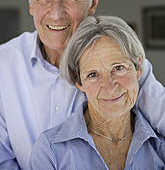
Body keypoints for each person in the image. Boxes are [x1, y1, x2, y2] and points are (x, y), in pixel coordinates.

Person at [0, 0, 164, 170]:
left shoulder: (124, 63)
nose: (56, 14)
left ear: (93, 1)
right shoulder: (3, 64)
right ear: (30, 0)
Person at [30, 15, 165, 170]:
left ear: (138, 69)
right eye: (93, 75)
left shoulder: (160, 146)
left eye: (118, 68)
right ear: (79, 81)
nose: (109, 87)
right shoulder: (50, 151)